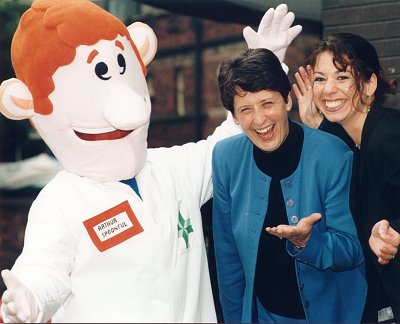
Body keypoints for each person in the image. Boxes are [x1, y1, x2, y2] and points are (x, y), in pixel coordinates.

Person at [0, 0, 301, 322]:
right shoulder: (60, 201)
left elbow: (230, 140)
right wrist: (30, 298)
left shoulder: (172, 169)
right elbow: (44, 267)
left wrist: (266, 69)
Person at [212, 48, 367, 324]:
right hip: (262, 315)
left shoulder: (333, 155)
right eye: (245, 109)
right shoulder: (225, 158)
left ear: (286, 100)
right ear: (234, 117)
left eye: (267, 103)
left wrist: (309, 241)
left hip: (329, 315)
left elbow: (352, 249)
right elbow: (228, 259)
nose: (259, 120)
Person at [293, 32, 400, 323]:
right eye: (320, 79)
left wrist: (396, 233)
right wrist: (316, 127)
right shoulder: (352, 137)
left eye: (342, 77)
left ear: (369, 84)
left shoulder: (390, 137)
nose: (328, 89)